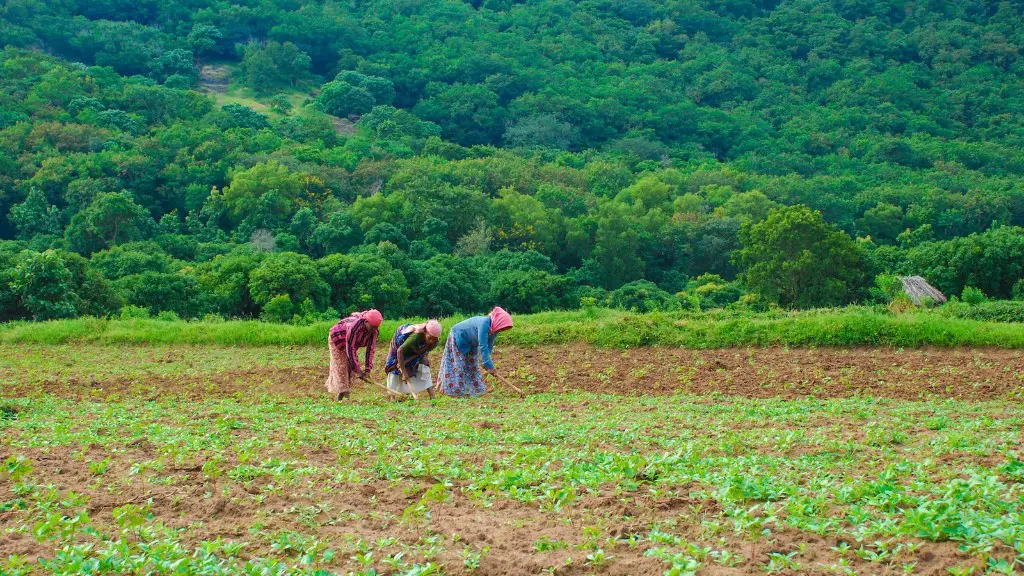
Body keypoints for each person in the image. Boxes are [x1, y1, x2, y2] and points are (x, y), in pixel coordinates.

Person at [437, 307, 513, 398]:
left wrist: (487, 364)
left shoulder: (494, 330)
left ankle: (475, 391)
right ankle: (454, 392)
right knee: (459, 365)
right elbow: (483, 346)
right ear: (498, 321)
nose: (501, 330)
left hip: (472, 343)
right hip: (458, 336)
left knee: (473, 366)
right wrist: (489, 365)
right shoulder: (484, 323)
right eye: (502, 328)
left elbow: (489, 347)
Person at [326, 309, 382, 401]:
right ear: (366, 322)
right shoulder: (355, 327)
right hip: (337, 339)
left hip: (351, 343)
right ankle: (346, 398)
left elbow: (370, 350)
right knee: (341, 366)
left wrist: (367, 370)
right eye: (372, 327)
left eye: (375, 328)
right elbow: (350, 349)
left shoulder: (374, 331)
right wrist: (358, 370)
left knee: (350, 368)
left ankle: (341, 396)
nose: (373, 330)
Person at [384, 320, 442, 400]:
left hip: (415, 349)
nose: (431, 341)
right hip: (400, 346)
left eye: (434, 339)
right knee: (394, 367)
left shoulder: (434, 342)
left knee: (424, 365)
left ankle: (432, 395)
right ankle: (392, 396)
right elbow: (400, 351)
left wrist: (406, 362)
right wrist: (404, 372)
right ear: (425, 332)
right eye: (430, 338)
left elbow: (420, 354)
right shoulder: (415, 337)